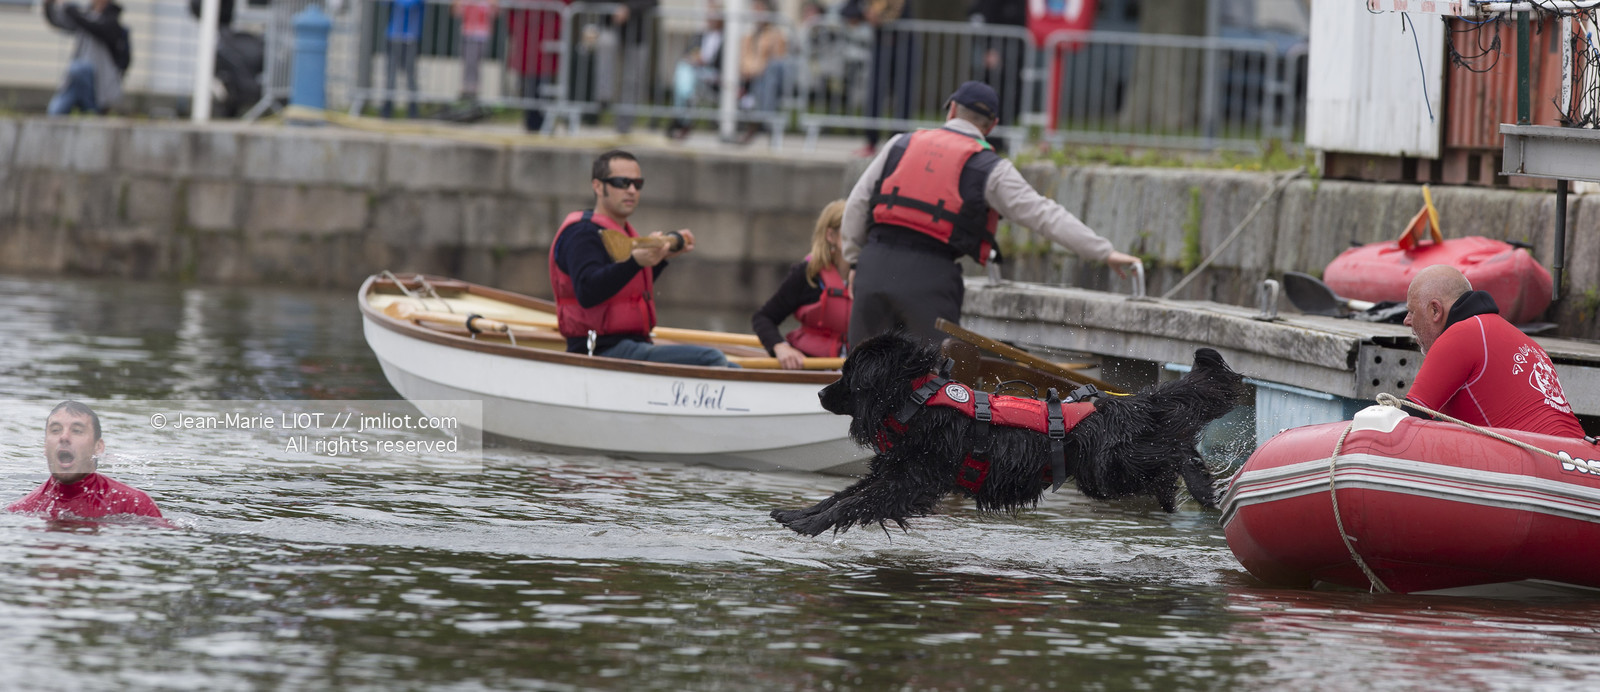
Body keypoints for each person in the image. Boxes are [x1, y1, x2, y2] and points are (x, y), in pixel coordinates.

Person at [842, 81, 1140, 348]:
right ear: (992, 125)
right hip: (929, 278)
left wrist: (855, 261)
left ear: (952, 110)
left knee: (863, 381)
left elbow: (857, 204)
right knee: (928, 386)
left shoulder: (899, 144)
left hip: (875, 266)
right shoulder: (992, 169)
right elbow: (1045, 216)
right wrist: (1105, 252)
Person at [548, 150, 732, 367]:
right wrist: (635, 262)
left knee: (732, 367)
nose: (632, 190)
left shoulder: (622, 232)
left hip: (631, 345)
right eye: (621, 183)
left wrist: (659, 258)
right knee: (712, 359)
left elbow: (625, 289)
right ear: (598, 186)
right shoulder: (583, 234)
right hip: (600, 350)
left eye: (637, 184)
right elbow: (588, 292)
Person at [1402, 265, 1585, 437]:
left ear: (1435, 310)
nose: (1406, 320)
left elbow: (1406, 421)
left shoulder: (1461, 335)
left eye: (1412, 312)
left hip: (1538, 462)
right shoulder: (1527, 342)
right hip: (1579, 458)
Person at [7, 401, 163, 520]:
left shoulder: (135, 505)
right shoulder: (21, 511)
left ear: (98, 447)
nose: (64, 437)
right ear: (45, 446)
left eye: (77, 430)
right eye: (55, 430)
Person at [752, 200, 850, 369]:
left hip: (856, 374)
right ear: (831, 236)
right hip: (811, 367)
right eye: (851, 230)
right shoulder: (807, 274)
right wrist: (780, 347)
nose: (859, 237)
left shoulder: (871, 279)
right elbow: (763, 318)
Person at [42, 0, 128, 117]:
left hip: (99, 86)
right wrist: (49, 5)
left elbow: (95, 27)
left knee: (79, 69)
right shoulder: (85, 16)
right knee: (56, 110)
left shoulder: (112, 22)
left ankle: (92, 112)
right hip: (76, 81)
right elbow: (60, 22)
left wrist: (69, 9)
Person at [736, 0, 789, 143]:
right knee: (754, 84)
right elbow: (744, 61)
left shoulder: (777, 35)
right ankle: (760, 124)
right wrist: (753, 69)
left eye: (759, 8)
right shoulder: (749, 36)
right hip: (750, 78)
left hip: (767, 81)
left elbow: (776, 61)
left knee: (765, 79)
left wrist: (755, 69)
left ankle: (761, 123)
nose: (756, 13)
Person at [381, 0, 424, 119]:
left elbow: (409, 4)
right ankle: (387, 108)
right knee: (390, 75)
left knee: (410, 75)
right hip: (393, 36)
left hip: (411, 37)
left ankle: (413, 109)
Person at [452, 0, 497, 110]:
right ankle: (467, 89)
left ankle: (473, 90)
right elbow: (456, 11)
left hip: (481, 34)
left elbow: (495, 11)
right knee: (468, 62)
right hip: (468, 32)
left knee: (475, 63)